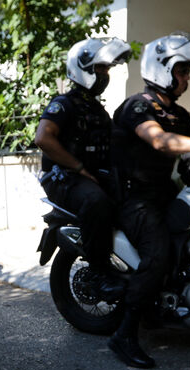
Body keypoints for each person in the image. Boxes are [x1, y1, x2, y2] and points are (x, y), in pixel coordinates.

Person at [108, 33, 190, 368]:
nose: (187, 78)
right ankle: (124, 334)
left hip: (164, 192)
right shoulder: (137, 106)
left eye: (187, 71)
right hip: (133, 198)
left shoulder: (179, 114)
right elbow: (161, 142)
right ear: (162, 68)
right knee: (158, 253)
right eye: (182, 70)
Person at [34, 37, 132, 299]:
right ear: (83, 68)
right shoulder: (64, 104)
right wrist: (78, 166)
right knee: (96, 201)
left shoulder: (97, 109)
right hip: (63, 177)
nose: (105, 74)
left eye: (106, 69)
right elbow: (43, 138)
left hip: (89, 177)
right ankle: (99, 273)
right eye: (100, 68)